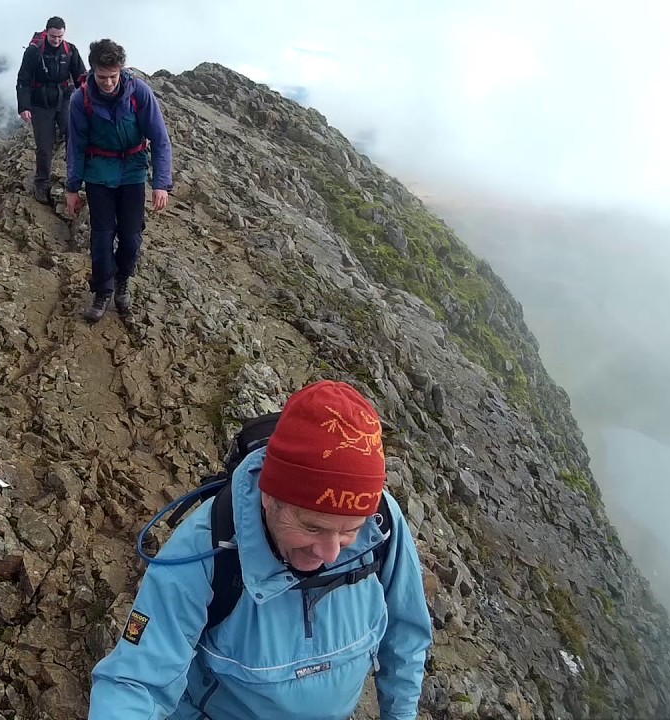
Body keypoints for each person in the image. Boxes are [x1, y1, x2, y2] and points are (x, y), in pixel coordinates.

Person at [88, 380, 434, 720]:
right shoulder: (205, 550)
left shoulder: (381, 524)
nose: (331, 553)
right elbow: (137, 681)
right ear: (269, 497)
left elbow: (405, 637)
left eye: (349, 532)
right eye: (312, 527)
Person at [66, 38, 173, 322]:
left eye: (113, 76)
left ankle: (123, 279)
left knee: (131, 235)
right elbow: (75, 145)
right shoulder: (81, 99)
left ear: (121, 70)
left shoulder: (140, 93)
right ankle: (103, 290)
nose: (109, 83)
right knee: (101, 236)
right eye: (102, 77)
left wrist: (161, 183)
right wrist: (72, 187)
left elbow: (160, 139)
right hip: (99, 173)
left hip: (133, 172)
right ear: (92, 71)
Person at [17, 16, 86, 203]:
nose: (56, 40)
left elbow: (81, 77)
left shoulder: (70, 50)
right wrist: (24, 107)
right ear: (46, 32)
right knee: (45, 146)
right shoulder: (34, 51)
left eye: (60, 36)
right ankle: (41, 183)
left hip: (64, 99)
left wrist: (89, 100)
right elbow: (23, 80)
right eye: (53, 36)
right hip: (40, 103)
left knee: (74, 135)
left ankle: (77, 176)